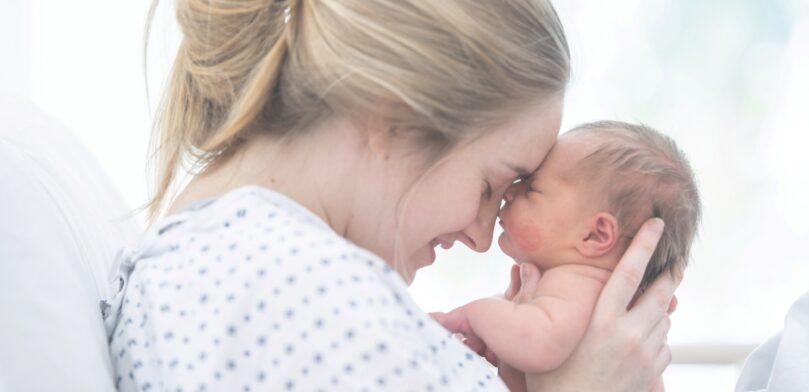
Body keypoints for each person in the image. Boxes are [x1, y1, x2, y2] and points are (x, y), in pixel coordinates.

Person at [101, 0, 680, 391]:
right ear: (394, 115)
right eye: (489, 187)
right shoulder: (298, 293)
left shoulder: (241, 266)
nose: (484, 239)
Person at [432, 121, 701, 391]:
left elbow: (538, 343)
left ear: (595, 235)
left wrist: (474, 316)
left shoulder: (579, 284)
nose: (510, 192)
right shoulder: (588, 292)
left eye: (532, 188)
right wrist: (502, 335)